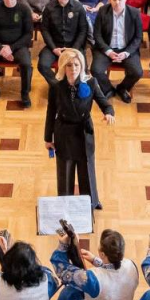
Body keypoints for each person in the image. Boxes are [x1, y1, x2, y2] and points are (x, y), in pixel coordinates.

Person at [45, 48, 115, 210]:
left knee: (87, 169)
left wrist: (109, 113)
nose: (73, 69)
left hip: (84, 132)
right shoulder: (55, 86)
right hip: (64, 132)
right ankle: (65, 203)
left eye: (77, 65)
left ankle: (92, 201)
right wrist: (48, 138)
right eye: (69, 65)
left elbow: (105, 103)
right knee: (65, 171)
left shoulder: (91, 83)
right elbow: (51, 112)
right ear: (63, 67)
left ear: (82, 66)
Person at [90, 0, 143, 104]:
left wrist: (126, 53)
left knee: (137, 72)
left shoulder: (134, 13)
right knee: (95, 70)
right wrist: (108, 51)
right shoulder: (103, 11)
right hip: (106, 48)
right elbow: (97, 34)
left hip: (126, 49)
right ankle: (108, 89)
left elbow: (138, 37)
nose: (117, 2)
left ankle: (122, 88)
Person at [39, 0, 90, 85]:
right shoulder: (48, 8)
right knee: (42, 65)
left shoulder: (78, 7)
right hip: (54, 46)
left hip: (74, 46)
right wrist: (53, 48)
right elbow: (44, 30)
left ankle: (76, 87)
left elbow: (83, 30)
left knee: (84, 67)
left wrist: (74, 49)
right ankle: (58, 86)